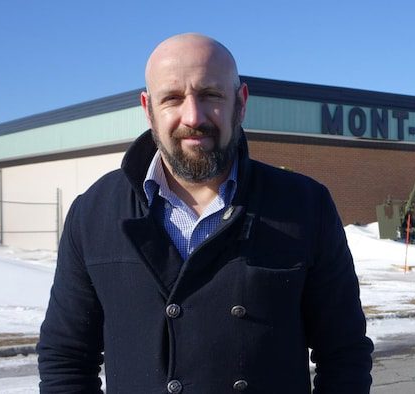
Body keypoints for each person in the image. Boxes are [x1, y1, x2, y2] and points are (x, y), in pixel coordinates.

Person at [37, 33, 373, 393]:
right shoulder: (95, 213)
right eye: (173, 98)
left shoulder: (305, 206)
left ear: (240, 102)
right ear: (148, 108)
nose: (193, 116)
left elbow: (344, 355)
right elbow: (66, 359)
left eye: (211, 95)